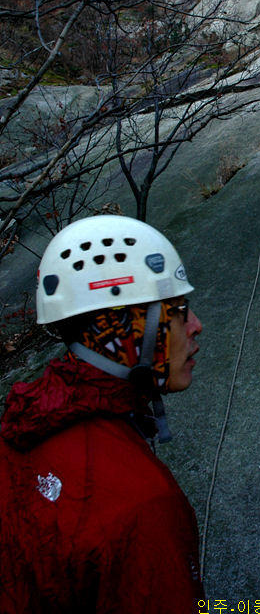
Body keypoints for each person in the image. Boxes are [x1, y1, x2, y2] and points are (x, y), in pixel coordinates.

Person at [0, 215, 205, 614]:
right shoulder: (144, 507)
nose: (195, 326)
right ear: (126, 329)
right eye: (177, 310)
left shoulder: (27, 422)